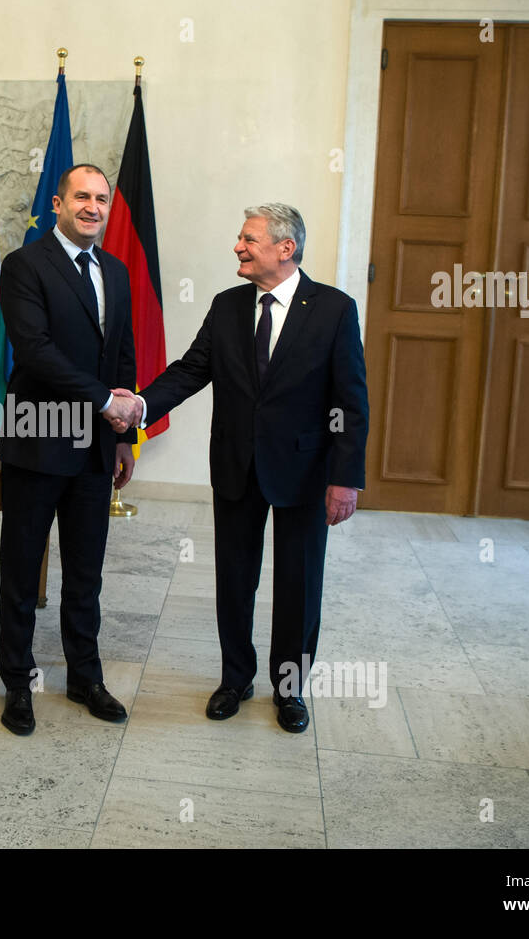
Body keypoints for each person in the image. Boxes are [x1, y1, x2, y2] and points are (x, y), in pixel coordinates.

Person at [109, 203, 368, 732]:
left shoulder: (335, 309)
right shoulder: (228, 306)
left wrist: (345, 477)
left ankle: (290, 691)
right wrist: (140, 405)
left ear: (285, 248)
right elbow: (190, 369)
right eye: (239, 238)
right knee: (234, 578)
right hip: (235, 465)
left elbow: (351, 401)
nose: (238, 247)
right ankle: (235, 678)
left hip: (304, 470)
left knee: (298, 585)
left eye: (249, 239)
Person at [0, 164, 140, 736]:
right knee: (22, 568)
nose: (92, 207)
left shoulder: (117, 271)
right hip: (37, 436)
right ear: (57, 203)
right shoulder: (25, 265)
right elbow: (34, 351)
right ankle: (17, 684)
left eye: (101, 199)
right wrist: (104, 400)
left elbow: (122, 357)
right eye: (82, 196)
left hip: (96, 450)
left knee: (86, 570)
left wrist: (125, 434)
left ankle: (84, 676)